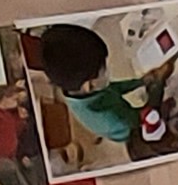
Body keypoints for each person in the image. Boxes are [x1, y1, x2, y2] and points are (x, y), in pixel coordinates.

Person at [33, 22, 169, 151]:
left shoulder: (77, 88)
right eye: (103, 69)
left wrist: (141, 81)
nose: (107, 72)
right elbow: (146, 116)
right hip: (132, 130)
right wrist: (158, 84)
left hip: (122, 116)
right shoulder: (113, 118)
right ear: (89, 85)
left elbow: (114, 88)